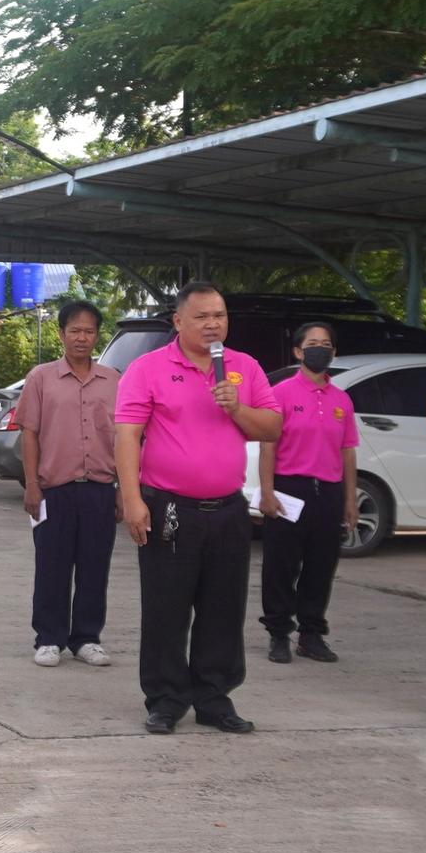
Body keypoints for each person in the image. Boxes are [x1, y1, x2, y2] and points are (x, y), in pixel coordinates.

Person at [115, 282, 281, 735]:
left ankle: (214, 698)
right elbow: (128, 435)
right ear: (179, 322)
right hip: (169, 507)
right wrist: (132, 500)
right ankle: (167, 699)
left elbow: (272, 426)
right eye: (203, 316)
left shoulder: (243, 368)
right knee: (166, 607)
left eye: (220, 316)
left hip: (228, 509)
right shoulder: (147, 368)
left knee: (224, 608)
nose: (213, 324)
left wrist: (237, 409)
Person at [17, 300, 120, 668]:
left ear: (97, 335)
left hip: (99, 488)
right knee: (52, 565)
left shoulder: (113, 381)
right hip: (53, 489)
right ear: (61, 334)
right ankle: (49, 638)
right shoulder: (41, 378)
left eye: (88, 331)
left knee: (95, 565)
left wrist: (124, 488)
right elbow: (30, 433)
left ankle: (87, 638)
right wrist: (31, 484)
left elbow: (125, 437)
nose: (81, 338)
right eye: (74, 330)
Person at [258, 322, 359, 665]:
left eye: (326, 344)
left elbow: (348, 452)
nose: (321, 349)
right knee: (281, 566)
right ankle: (278, 634)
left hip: (327, 493)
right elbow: (268, 446)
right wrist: (267, 492)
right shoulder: (281, 394)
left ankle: (311, 634)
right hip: (289, 490)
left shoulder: (341, 400)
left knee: (321, 566)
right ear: (298, 352)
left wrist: (349, 500)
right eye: (312, 344)